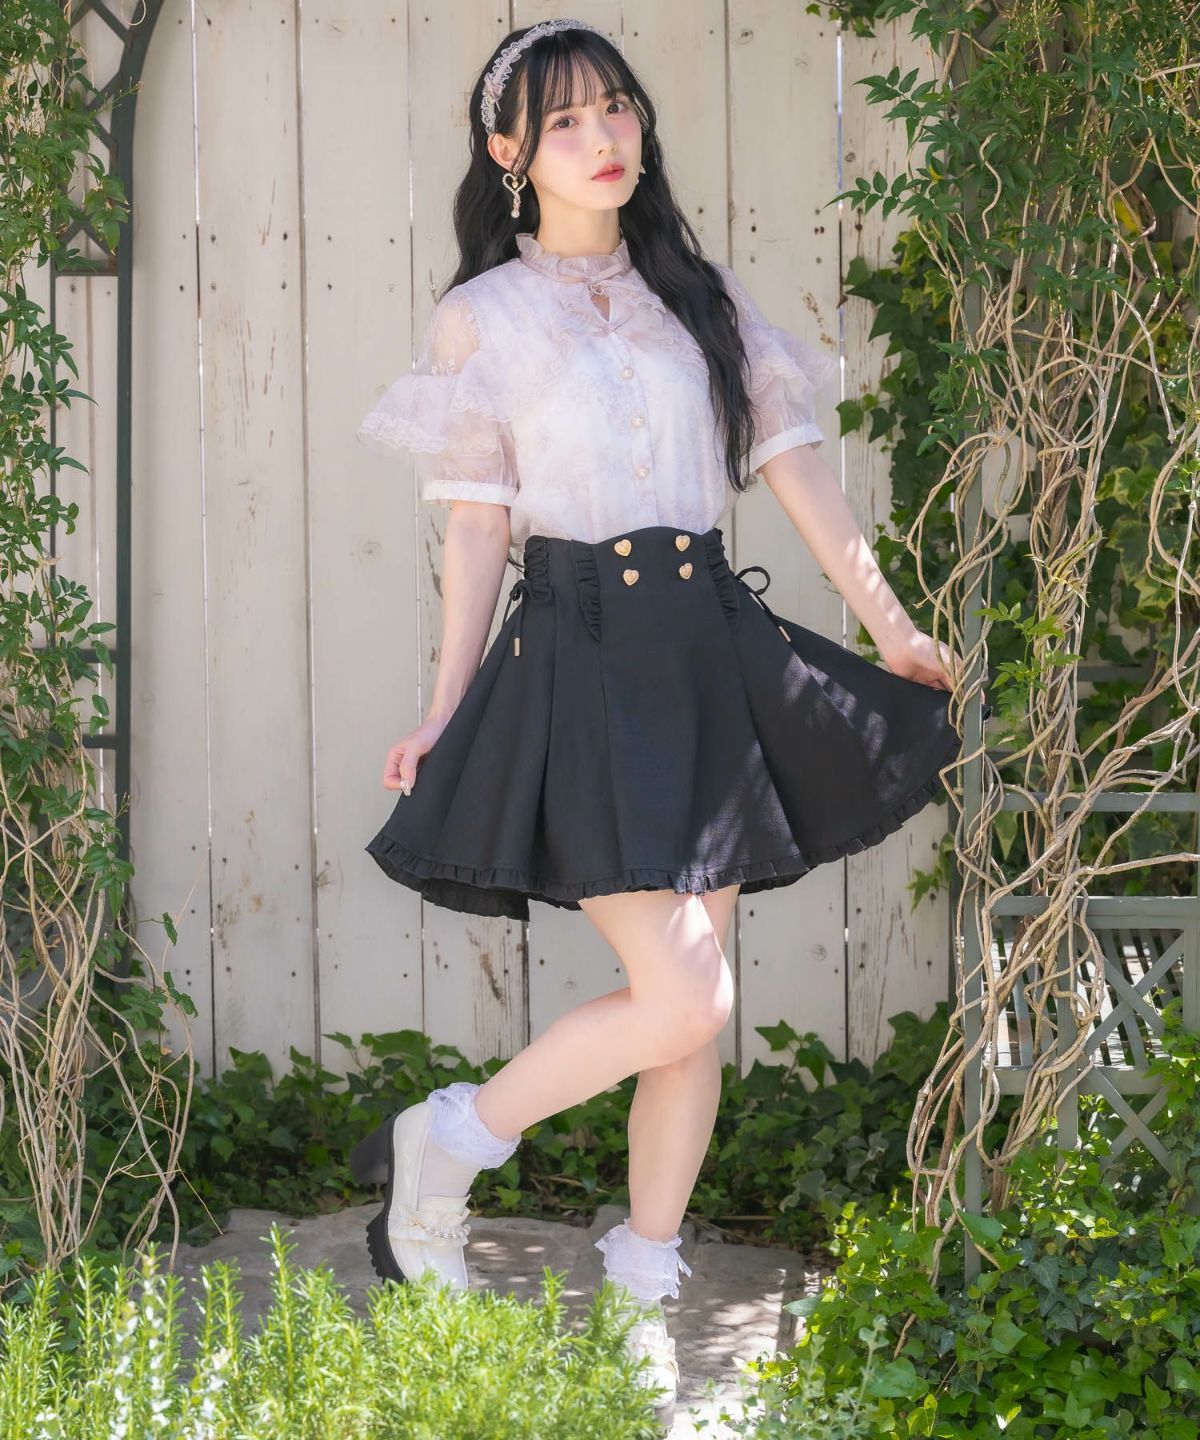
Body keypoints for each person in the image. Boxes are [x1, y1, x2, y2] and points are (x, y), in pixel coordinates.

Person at [352, 18, 984, 1428]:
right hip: (577, 659)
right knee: (690, 994)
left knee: (687, 1030)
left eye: (618, 109)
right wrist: (443, 711)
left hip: (710, 654)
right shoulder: (484, 319)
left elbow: (797, 470)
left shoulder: (698, 294)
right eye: (566, 122)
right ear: (509, 154)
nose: (604, 138)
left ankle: (644, 1310)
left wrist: (889, 626)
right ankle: (448, 1139)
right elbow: (477, 533)